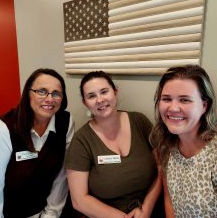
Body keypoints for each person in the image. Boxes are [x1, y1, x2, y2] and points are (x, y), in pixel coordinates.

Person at [150, 64, 217, 218]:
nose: (173, 108)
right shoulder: (167, 146)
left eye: (185, 100)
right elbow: (170, 201)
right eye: (166, 99)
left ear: (204, 106)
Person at [65, 71, 164, 218]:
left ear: (115, 92)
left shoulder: (139, 121)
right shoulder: (81, 141)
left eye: (104, 91)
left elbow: (161, 167)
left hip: (150, 210)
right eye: (91, 96)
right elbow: (79, 201)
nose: (99, 100)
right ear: (85, 103)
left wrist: (146, 209)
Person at [0, 68, 74, 218]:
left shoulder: (66, 123)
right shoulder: (2, 128)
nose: (49, 99)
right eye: (41, 91)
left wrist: (50, 214)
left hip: (49, 212)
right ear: (28, 93)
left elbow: (62, 176)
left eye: (56, 93)